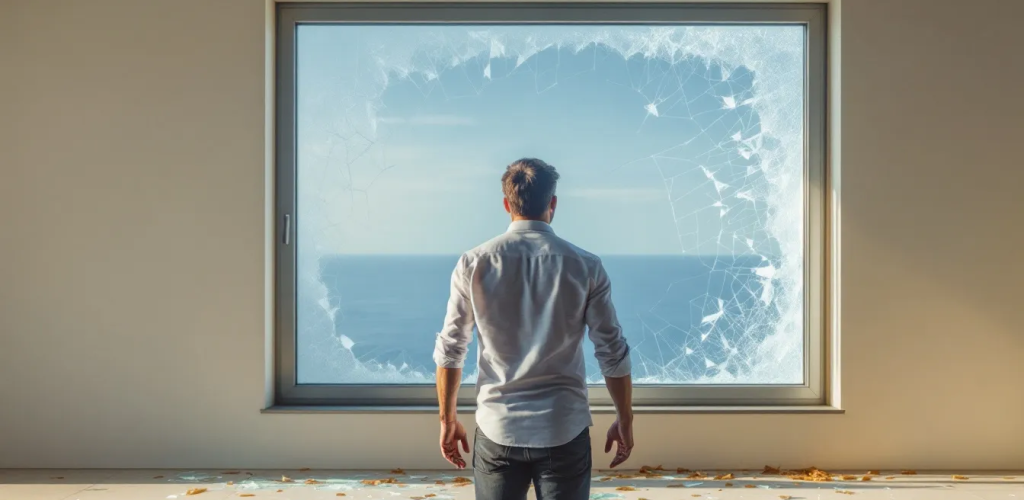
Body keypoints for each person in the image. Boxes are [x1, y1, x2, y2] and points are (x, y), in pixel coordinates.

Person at [433, 158, 635, 500]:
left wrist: (447, 420)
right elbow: (611, 351)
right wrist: (625, 419)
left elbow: (452, 348)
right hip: (564, 426)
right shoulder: (585, 265)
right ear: (552, 204)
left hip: (498, 427)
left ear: (506, 204)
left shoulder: (473, 262)